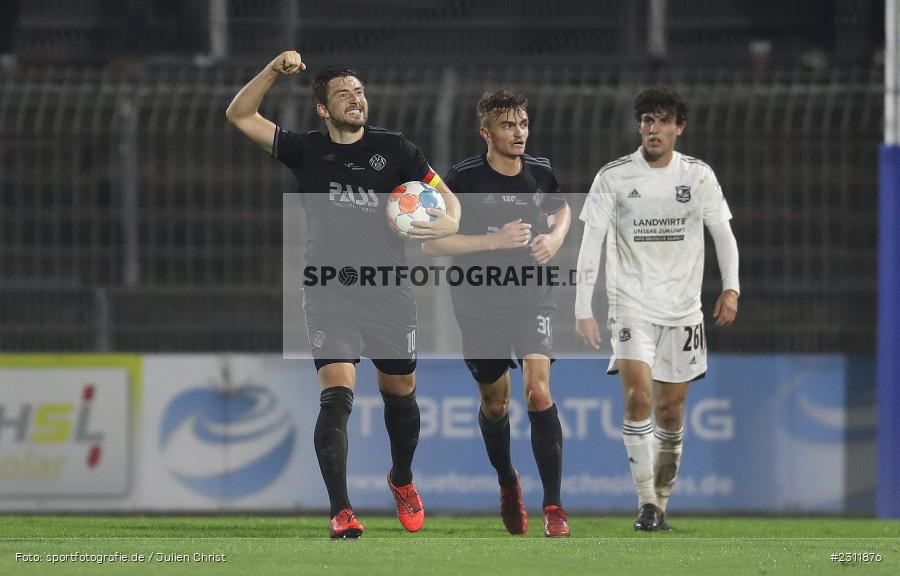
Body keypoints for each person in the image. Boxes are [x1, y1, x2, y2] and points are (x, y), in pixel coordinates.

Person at [226, 50, 460, 539]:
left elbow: (447, 197)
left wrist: (451, 221)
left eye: (359, 91)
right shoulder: (305, 150)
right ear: (323, 109)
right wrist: (271, 69)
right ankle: (341, 511)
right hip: (328, 288)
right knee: (336, 397)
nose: (356, 99)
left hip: (388, 290)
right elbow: (239, 115)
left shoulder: (396, 150)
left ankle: (401, 479)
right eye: (343, 94)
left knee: (401, 395)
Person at [574, 86, 739, 532]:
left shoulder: (698, 176)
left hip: (683, 311)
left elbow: (722, 234)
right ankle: (645, 501)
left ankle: (662, 501)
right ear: (639, 126)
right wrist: (582, 307)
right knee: (638, 398)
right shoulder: (614, 177)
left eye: (663, 121)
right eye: (647, 120)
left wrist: (731, 288)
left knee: (670, 412)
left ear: (678, 128)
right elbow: (591, 242)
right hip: (630, 305)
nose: (653, 129)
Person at [422, 90, 572, 537]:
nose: (519, 132)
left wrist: (557, 239)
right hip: (479, 302)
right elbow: (433, 244)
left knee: (539, 394)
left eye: (523, 123)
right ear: (486, 133)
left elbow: (562, 211)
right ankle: (508, 481)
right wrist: (494, 241)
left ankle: (553, 507)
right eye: (509, 125)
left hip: (533, 297)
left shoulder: (541, 172)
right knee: (496, 402)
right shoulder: (462, 180)